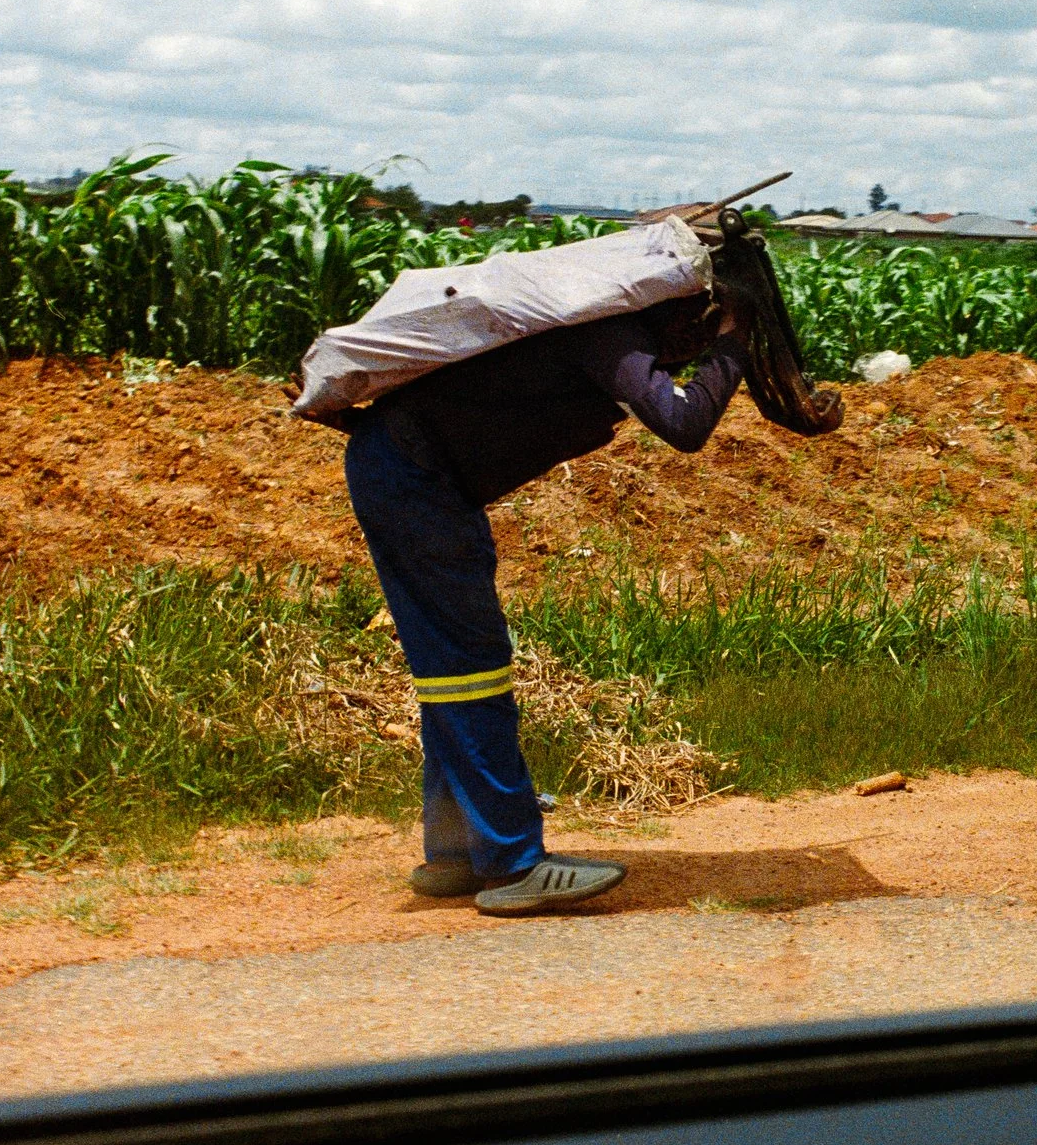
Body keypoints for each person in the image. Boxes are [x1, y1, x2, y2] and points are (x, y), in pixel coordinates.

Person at [320, 294, 749, 916]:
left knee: (452, 670)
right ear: (674, 307)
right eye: (699, 327)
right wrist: (737, 344)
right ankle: (513, 862)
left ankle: (456, 853)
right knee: (471, 670)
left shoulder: (601, 328)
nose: (692, 347)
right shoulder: (612, 333)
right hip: (415, 476)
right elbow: (684, 424)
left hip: (399, 463)